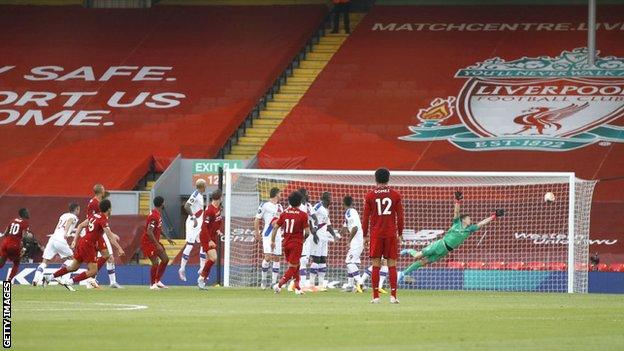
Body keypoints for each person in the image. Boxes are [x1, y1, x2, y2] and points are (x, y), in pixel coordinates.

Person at [400, 191, 504, 279]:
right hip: (440, 244)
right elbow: (456, 212)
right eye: (468, 218)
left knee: (423, 262)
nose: (470, 220)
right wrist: (458, 201)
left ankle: (403, 273)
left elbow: (481, 223)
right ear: (463, 219)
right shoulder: (457, 222)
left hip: (446, 251)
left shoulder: (469, 229)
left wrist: (494, 216)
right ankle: (409, 250)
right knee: (418, 256)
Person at [44, 199, 125, 291]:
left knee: (73, 267)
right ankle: (69, 281)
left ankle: (49, 277)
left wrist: (75, 240)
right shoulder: (103, 219)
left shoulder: (94, 216)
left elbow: (81, 225)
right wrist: (119, 248)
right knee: (93, 271)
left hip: (83, 241)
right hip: (88, 244)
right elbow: (109, 236)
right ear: (109, 209)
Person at [362, 168, 404, 304]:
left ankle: (375, 297)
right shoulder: (395, 195)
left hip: (376, 234)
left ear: (376, 179)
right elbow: (400, 216)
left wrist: (364, 235)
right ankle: (393, 296)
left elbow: (365, 217)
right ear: (388, 178)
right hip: (391, 233)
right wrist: (400, 233)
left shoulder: (370, 196)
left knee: (376, 265)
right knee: (392, 265)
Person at [271, 191, 311, 295]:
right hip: (296, 244)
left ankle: (297, 288)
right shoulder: (303, 215)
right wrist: (303, 240)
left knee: (296, 265)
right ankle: (279, 285)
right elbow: (307, 232)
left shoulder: (284, 213)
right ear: (299, 202)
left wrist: (272, 241)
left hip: (286, 244)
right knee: (293, 267)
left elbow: (275, 227)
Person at [32, 203, 80, 286]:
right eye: (79, 209)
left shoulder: (63, 215)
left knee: (45, 262)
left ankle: (35, 279)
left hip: (53, 238)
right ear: (76, 209)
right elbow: (70, 220)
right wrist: (65, 233)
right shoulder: (74, 217)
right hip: (61, 239)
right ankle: (61, 276)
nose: (79, 211)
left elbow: (58, 226)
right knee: (73, 259)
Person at [142, 196, 176, 290]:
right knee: (155, 262)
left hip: (154, 241)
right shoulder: (154, 215)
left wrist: (167, 237)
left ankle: (158, 281)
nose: (164, 204)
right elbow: (149, 231)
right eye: (164, 202)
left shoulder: (157, 214)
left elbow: (158, 228)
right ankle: (152, 284)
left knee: (165, 259)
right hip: (148, 242)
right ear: (161, 204)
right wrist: (157, 245)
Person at [254, 187, 283, 290]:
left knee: (277, 258)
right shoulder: (264, 205)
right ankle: (263, 280)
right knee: (268, 257)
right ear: (275, 194)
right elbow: (257, 219)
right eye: (280, 193)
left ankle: (274, 283)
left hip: (278, 235)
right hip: (267, 234)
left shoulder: (280, 207)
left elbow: (281, 221)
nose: (281, 195)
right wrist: (257, 232)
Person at [309, 192, 339, 290]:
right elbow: (310, 216)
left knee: (323, 259)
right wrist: (313, 233)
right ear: (325, 199)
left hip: (324, 237)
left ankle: (321, 285)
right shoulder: (318, 206)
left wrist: (334, 235)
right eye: (330, 198)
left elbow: (328, 224)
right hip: (317, 235)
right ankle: (311, 284)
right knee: (316, 259)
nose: (332, 199)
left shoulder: (326, 210)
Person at [179, 179, 206, 281]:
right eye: (205, 186)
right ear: (202, 186)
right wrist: (194, 218)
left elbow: (199, 210)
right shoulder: (195, 194)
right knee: (190, 246)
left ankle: (202, 268)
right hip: (192, 223)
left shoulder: (200, 195)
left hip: (199, 223)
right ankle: (181, 269)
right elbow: (186, 206)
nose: (206, 188)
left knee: (203, 243)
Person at [197, 190, 224, 290]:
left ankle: (202, 282)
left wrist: (217, 230)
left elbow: (217, 222)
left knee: (210, 260)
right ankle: (201, 278)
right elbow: (204, 227)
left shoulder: (218, 208)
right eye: (222, 197)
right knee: (213, 258)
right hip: (206, 237)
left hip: (212, 236)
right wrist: (209, 240)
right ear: (220, 198)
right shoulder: (209, 210)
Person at [0, 208, 32, 283]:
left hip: (5, 243)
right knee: (16, 263)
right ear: (24, 214)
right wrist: (24, 247)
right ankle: (8, 281)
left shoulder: (13, 220)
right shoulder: (25, 223)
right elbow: (24, 236)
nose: (29, 214)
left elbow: (6, 233)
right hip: (14, 246)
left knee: (1, 263)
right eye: (27, 212)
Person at [340, 195, 364, 292]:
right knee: (352, 262)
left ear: (343, 203)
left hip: (356, 241)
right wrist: (337, 234)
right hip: (357, 240)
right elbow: (345, 228)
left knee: (349, 262)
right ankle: (350, 286)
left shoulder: (350, 212)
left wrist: (349, 241)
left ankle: (361, 282)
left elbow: (355, 228)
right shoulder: (349, 213)